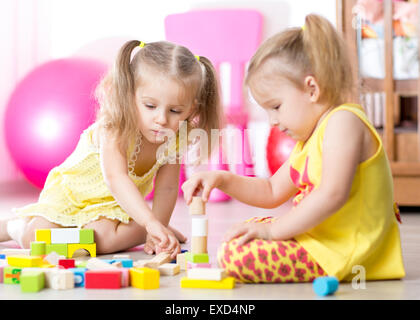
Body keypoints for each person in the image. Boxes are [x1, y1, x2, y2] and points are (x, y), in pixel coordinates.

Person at [182, 14, 406, 282]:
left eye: (276, 107)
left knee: (236, 254)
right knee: (240, 235)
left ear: (311, 89)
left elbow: (332, 194)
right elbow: (271, 190)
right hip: (325, 241)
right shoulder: (310, 140)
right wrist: (221, 179)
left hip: (345, 250)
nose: (273, 121)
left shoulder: (344, 121)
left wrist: (274, 233)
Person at [0, 40, 223, 259]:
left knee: (101, 241)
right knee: (38, 238)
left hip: (114, 207)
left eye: (175, 110)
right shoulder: (115, 127)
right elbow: (116, 178)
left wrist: (158, 226)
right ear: (129, 94)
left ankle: (152, 231)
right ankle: (16, 227)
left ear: (191, 109)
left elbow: (167, 188)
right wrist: (150, 222)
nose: (162, 119)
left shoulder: (174, 137)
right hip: (70, 197)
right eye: (150, 106)